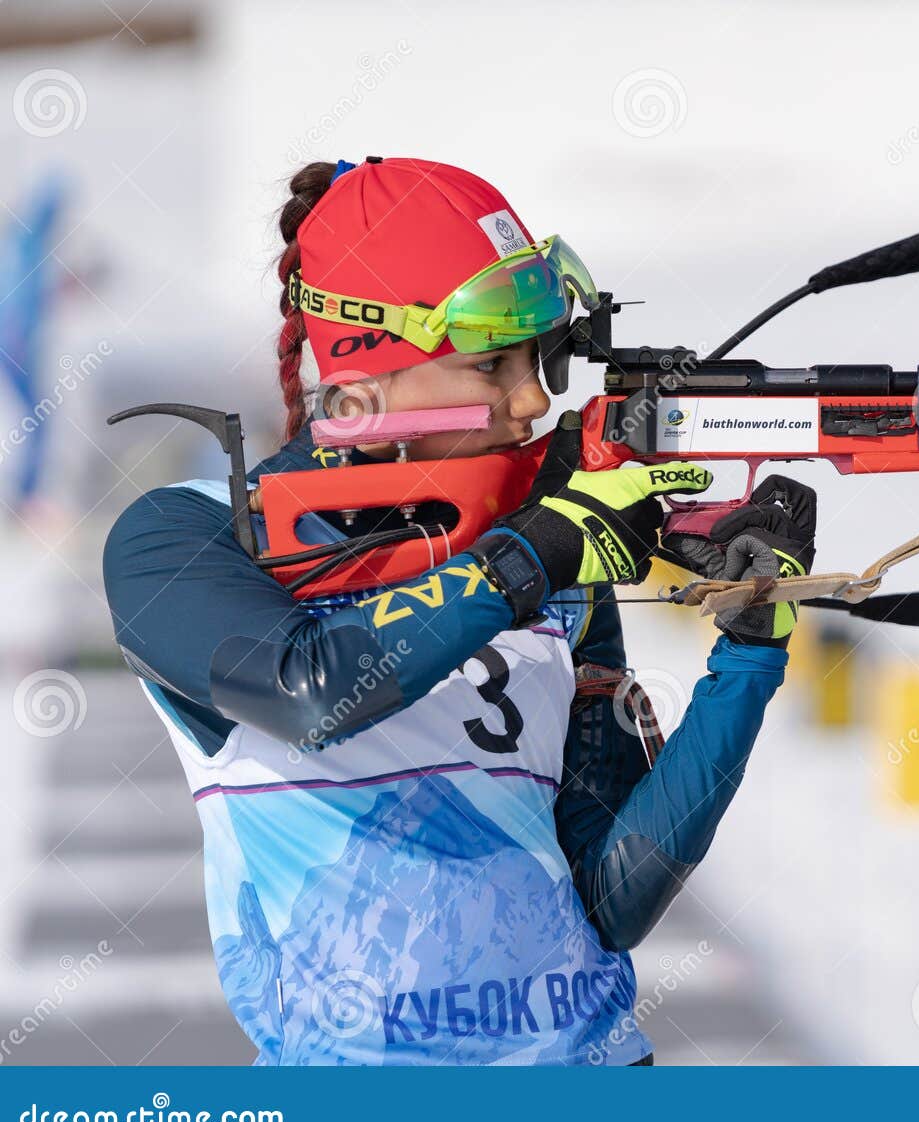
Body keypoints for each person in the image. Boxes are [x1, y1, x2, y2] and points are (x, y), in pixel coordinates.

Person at [101, 157, 817, 1065]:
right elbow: (312, 690)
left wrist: (750, 653)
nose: (533, 401)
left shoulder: (545, 547)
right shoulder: (185, 537)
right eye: (492, 364)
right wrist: (538, 551)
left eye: (538, 361)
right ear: (362, 378)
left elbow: (612, 902)